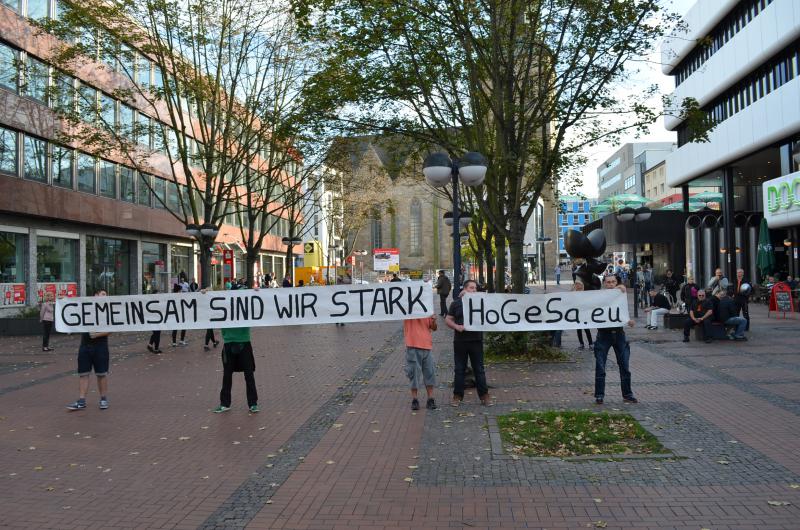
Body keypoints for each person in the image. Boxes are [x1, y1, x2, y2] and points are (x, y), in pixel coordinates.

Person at [211, 285, 259, 413]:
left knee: (249, 374)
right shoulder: (222, 306)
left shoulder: (245, 304)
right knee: (227, 375)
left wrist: (255, 291)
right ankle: (225, 403)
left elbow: (254, 297)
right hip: (229, 343)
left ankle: (253, 403)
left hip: (244, 342)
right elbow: (209, 297)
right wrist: (205, 292)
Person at [593, 274, 637, 405]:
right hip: (603, 335)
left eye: (613, 282)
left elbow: (623, 314)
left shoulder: (620, 294)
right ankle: (599, 395)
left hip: (619, 335)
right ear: (604, 284)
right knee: (600, 367)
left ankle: (627, 394)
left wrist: (629, 321)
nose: (611, 284)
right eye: (608, 282)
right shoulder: (599, 297)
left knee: (624, 366)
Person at [445, 280, 490, 406]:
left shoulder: (481, 302)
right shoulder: (456, 304)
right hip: (460, 341)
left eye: (475, 288)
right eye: (471, 288)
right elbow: (448, 319)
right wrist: (456, 327)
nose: (474, 290)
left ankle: (484, 396)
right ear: (465, 289)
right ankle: (457, 396)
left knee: (479, 369)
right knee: (459, 369)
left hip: (476, 340)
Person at [67, 290, 111, 411]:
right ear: (95, 295)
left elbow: (112, 328)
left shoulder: (107, 311)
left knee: (101, 374)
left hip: (100, 346)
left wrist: (97, 334)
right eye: (102, 294)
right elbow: (75, 320)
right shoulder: (85, 309)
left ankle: (103, 399)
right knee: (83, 374)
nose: (104, 297)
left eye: (105, 295)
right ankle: (81, 401)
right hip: (85, 346)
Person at [402, 313, 438, 411]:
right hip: (412, 345)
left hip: (427, 346)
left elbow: (434, 328)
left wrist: (434, 321)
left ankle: (430, 398)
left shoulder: (427, 308)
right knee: (414, 374)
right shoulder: (408, 307)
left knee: (430, 372)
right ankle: (415, 399)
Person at [573, 280, 593, 349]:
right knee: (579, 330)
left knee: (587, 329)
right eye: (576, 284)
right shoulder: (573, 293)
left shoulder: (585, 293)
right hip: (577, 314)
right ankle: (581, 343)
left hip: (584, 314)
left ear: (581, 285)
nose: (577, 285)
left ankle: (590, 343)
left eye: (579, 284)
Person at [146, 289, 163, 354]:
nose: (158, 295)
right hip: (153, 320)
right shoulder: (152, 301)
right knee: (157, 333)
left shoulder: (157, 301)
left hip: (157, 319)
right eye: (157, 294)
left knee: (156, 333)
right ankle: (155, 348)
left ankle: (151, 346)